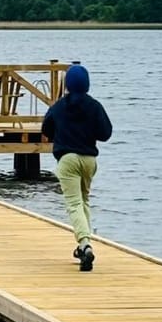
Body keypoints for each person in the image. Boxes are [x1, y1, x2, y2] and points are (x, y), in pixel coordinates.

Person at [40, 64, 112, 272]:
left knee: (73, 203)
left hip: (68, 159)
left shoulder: (59, 106)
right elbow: (106, 133)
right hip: (89, 160)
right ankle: (83, 246)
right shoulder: (94, 106)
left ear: (67, 85)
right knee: (84, 200)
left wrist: (60, 133)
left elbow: (46, 128)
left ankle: (85, 244)